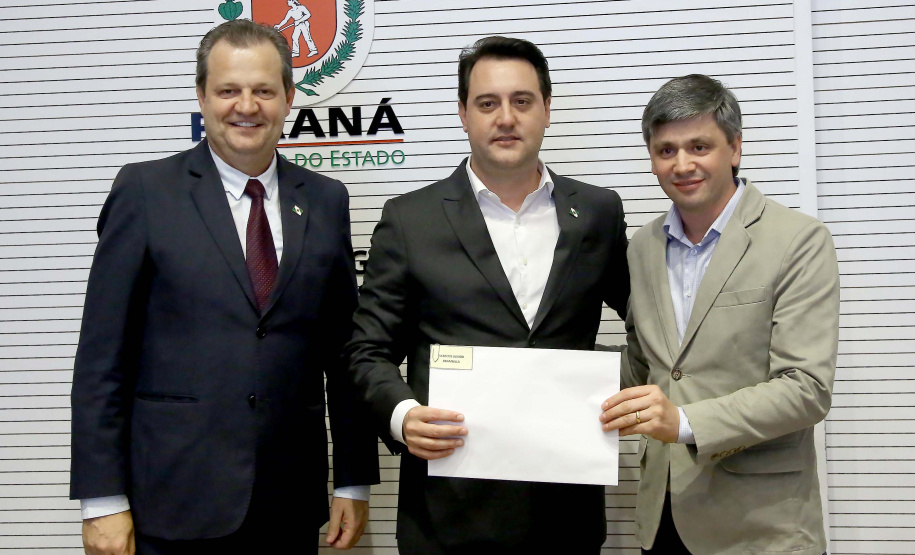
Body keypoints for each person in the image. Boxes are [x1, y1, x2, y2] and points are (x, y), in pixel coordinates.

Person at [69, 19, 378, 555]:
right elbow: (102, 359)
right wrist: (101, 499)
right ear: (202, 96)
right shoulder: (145, 192)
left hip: (288, 502)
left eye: (263, 90)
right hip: (171, 502)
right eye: (228, 90)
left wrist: (352, 479)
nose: (246, 106)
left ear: (289, 97)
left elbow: (343, 353)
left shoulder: (327, 200)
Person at [345, 36, 630, 554]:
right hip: (447, 518)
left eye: (522, 101)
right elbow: (367, 351)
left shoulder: (598, 213)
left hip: (566, 516)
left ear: (546, 109)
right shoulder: (410, 220)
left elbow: (654, 323)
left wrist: (626, 385)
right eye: (487, 103)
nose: (506, 118)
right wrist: (403, 414)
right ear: (463, 113)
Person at [600, 74, 839, 555]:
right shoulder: (642, 248)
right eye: (666, 150)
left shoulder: (799, 240)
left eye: (699, 146)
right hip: (661, 515)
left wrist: (684, 420)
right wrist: (549, 372)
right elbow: (647, 365)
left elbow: (806, 389)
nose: (682, 164)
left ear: (734, 148)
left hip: (760, 528)